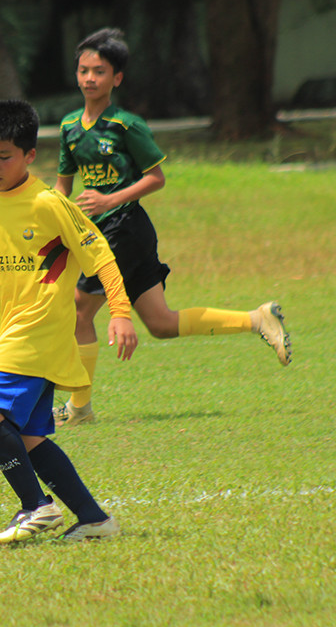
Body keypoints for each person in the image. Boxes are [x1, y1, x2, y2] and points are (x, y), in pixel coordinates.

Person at [0, 99, 137, 543]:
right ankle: (95, 520)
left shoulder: (48, 203)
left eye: (4, 156)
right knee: (28, 438)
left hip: (40, 329)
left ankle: (36, 506)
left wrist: (120, 312)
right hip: (18, 329)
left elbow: (101, 256)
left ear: (30, 155)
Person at [53, 27, 292, 427]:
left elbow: (156, 178)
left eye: (99, 71)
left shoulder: (126, 125)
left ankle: (79, 409)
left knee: (80, 310)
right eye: (83, 70)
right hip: (107, 233)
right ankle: (258, 319)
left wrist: (110, 199)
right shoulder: (69, 128)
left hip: (124, 228)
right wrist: (50, 219)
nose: (89, 78)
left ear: (117, 78)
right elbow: (63, 186)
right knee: (161, 324)